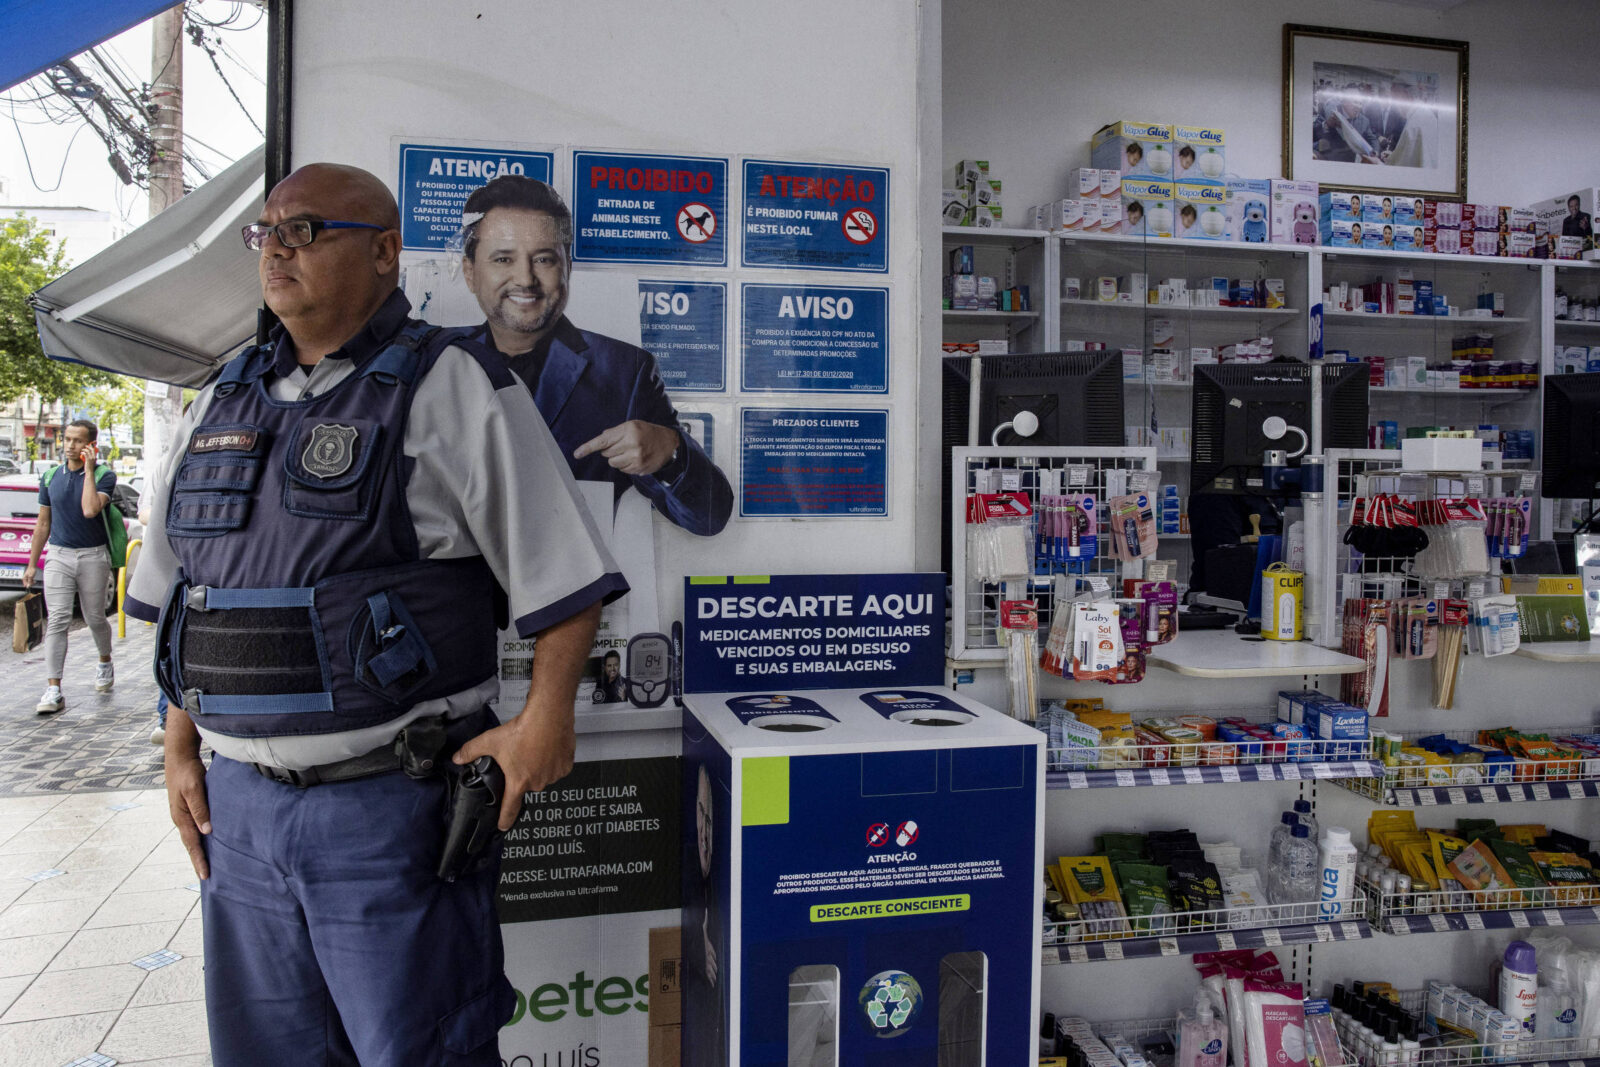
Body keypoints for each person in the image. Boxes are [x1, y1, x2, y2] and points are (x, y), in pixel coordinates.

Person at [125, 163, 627, 1067]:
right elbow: (182, 598)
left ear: (386, 252)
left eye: (305, 230)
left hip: (389, 810)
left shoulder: (452, 383)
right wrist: (179, 746)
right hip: (239, 820)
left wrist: (545, 721)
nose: (276, 249)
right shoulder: (220, 398)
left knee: (420, 1052)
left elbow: (567, 577)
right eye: (266, 232)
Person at [457, 175, 731, 535]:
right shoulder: (436, 360)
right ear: (470, 273)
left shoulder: (627, 372)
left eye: (543, 259)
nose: (525, 278)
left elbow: (708, 517)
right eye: (503, 258)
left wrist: (671, 453)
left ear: (567, 268)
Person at [23, 419, 115, 713]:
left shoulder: (104, 476)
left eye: (78, 441)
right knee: (58, 620)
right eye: (67, 439)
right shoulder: (51, 476)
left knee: (94, 618)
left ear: (91, 445)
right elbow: (43, 523)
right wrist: (31, 564)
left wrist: (88, 470)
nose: (70, 445)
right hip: (58, 555)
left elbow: (89, 509)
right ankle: (53, 689)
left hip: (93, 556)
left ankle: (104, 660)